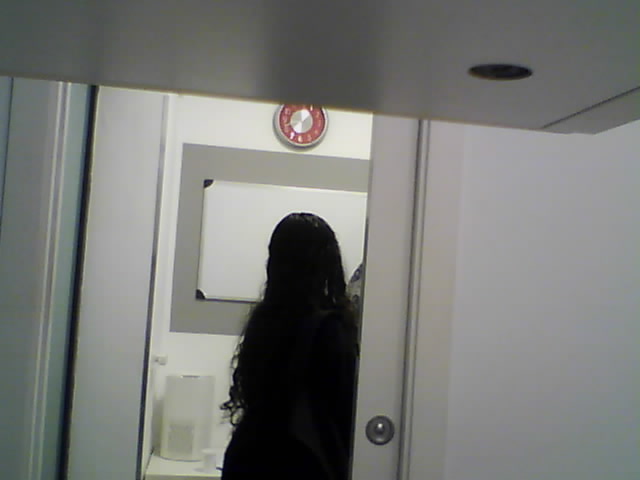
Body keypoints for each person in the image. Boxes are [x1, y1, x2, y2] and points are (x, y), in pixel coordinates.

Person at [221, 212, 359, 480]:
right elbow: (344, 412)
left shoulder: (264, 320)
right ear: (328, 263)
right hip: (304, 463)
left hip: (249, 456)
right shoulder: (330, 329)